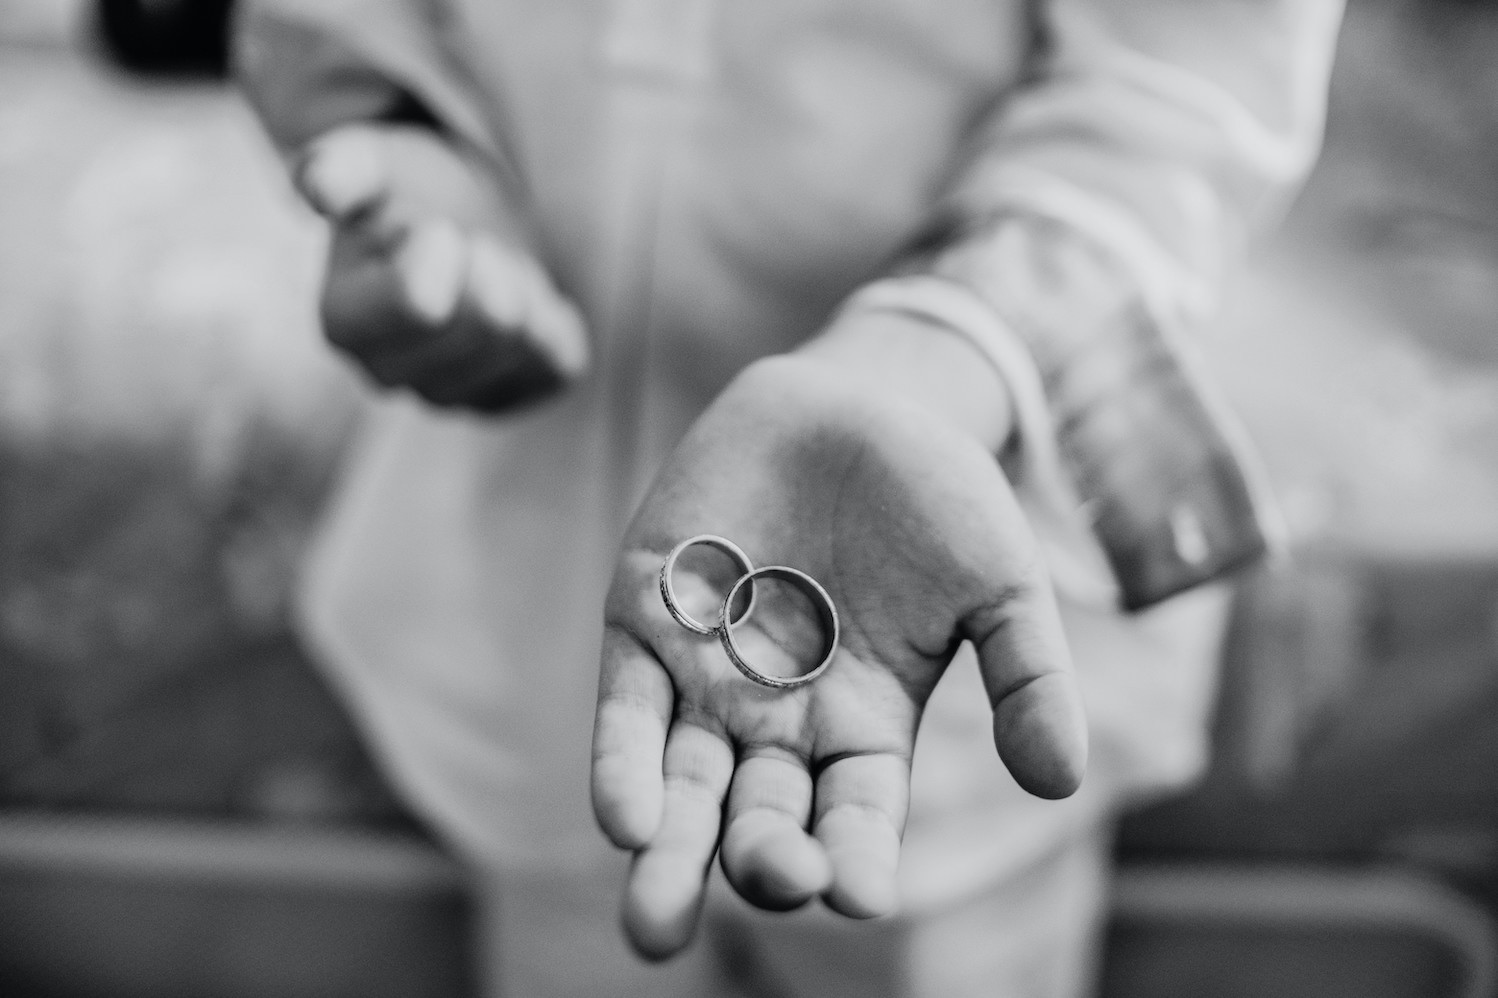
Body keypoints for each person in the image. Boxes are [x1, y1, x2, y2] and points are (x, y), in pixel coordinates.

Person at [231, 1, 1344, 995]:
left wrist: (939, 343)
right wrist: (404, 129)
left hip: (931, 629)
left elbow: (1184, 92)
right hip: (513, 578)